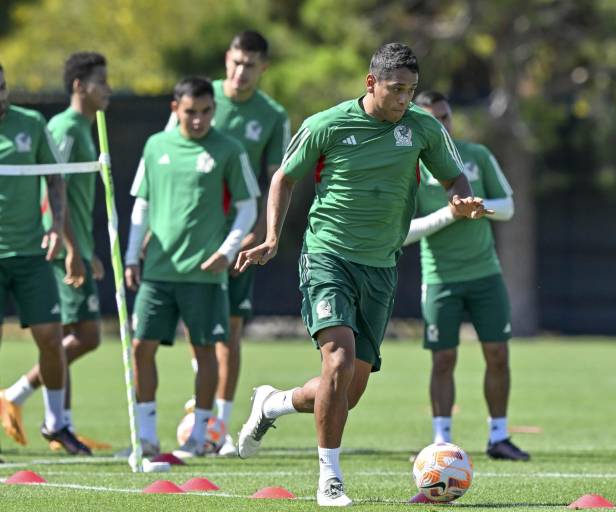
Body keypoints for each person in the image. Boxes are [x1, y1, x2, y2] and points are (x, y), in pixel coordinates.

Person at [234, 43, 492, 506]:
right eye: (396, 89)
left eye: (411, 90)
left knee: (347, 392)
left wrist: (461, 200)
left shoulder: (423, 127)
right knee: (337, 362)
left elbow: (455, 177)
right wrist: (271, 237)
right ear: (371, 83)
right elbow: (283, 178)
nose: (404, 99)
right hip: (328, 256)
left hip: (381, 266)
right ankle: (329, 479)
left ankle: (273, 403)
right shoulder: (327, 124)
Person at [167, 30, 290, 456]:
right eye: (236, 62)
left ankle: (219, 421)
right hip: (195, 236)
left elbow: (277, 178)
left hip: (239, 236)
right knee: (195, 323)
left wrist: (259, 230)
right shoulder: (200, 98)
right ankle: (203, 399)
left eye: (250, 65)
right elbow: (170, 157)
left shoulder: (272, 114)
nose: (241, 72)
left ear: (263, 68)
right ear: (226, 59)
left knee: (230, 330)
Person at [123, 77, 258, 458]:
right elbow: (142, 205)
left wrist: (227, 251)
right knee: (141, 347)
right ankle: (146, 437)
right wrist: (132, 256)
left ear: (214, 110)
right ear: (175, 109)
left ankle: (200, 435)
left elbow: (248, 206)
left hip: (204, 274)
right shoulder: (155, 145)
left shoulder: (229, 149)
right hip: (158, 271)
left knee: (205, 351)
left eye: (205, 111)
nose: (198, 120)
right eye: (190, 112)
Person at [404, 90, 530, 461]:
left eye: (445, 117)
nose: (441, 125)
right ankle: (441, 441)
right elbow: (403, 232)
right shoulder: (409, 167)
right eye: (432, 119)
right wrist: (450, 214)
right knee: (443, 359)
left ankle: (499, 437)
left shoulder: (476, 156)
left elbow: (508, 207)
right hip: (440, 279)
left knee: (498, 354)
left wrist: (479, 206)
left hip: (485, 275)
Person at [0, 52, 111, 452]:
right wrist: (74, 248)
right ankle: (17, 398)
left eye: (2, 87)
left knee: (54, 337)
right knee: (81, 335)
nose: (0, 96)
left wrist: (60, 233)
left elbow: (55, 182)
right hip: (30, 252)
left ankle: (57, 423)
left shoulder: (32, 124)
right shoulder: (66, 126)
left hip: (35, 253)